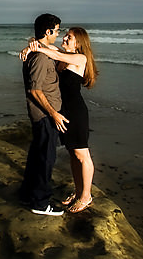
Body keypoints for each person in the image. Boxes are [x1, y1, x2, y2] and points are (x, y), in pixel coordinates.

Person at [26, 26, 99, 213]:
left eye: (70, 37)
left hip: (76, 113)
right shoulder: (62, 54)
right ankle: (78, 191)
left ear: (79, 43)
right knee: (73, 154)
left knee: (83, 155)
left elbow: (53, 54)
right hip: (63, 112)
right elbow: (46, 48)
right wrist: (30, 45)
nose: (65, 38)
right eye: (65, 35)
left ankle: (86, 196)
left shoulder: (79, 58)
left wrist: (35, 48)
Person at [18, 13, 68, 216]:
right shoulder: (39, 57)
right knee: (45, 159)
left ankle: (27, 193)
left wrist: (31, 44)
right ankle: (40, 203)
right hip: (45, 115)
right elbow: (35, 90)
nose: (58, 34)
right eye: (56, 30)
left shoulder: (40, 50)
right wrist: (54, 114)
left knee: (37, 156)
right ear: (48, 32)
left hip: (45, 114)